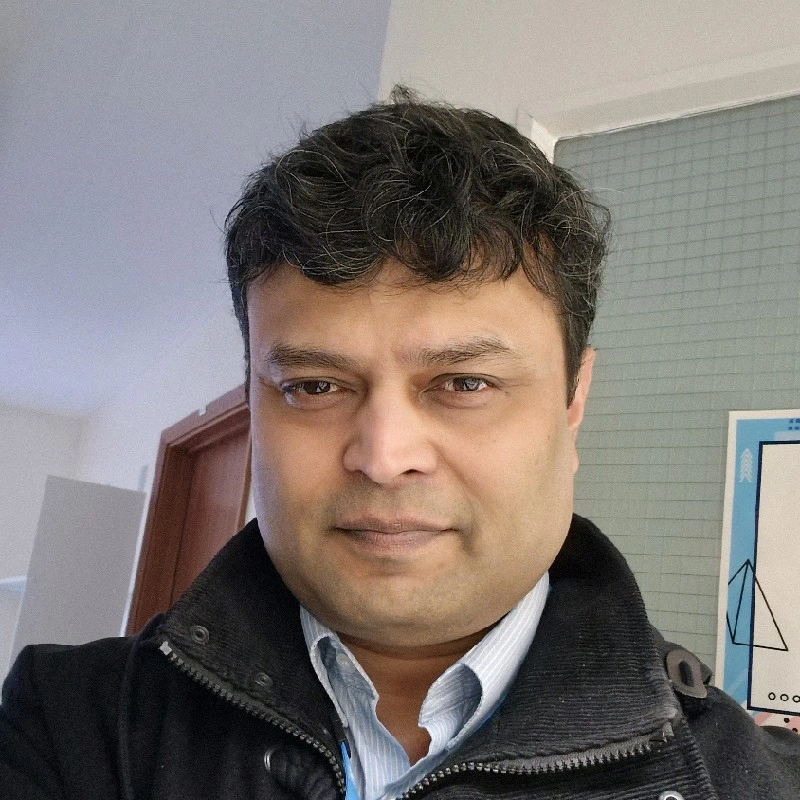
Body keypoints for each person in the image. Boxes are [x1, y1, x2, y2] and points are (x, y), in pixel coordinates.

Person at [1, 89, 798, 800]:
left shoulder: (749, 781)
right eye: (315, 387)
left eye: (464, 382)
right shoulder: (69, 726)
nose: (383, 458)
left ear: (572, 403)